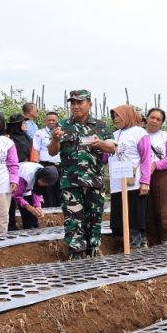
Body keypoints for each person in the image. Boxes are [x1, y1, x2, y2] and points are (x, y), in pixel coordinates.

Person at [49, 90, 114, 259]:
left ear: (89, 104)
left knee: (94, 219)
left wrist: (100, 143)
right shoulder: (62, 125)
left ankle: (92, 253)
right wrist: (55, 139)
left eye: (80, 103)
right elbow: (51, 151)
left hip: (94, 182)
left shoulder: (100, 126)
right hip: (70, 182)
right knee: (73, 219)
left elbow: (113, 148)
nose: (76, 106)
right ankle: (76, 255)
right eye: (73, 103)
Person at [109, 104, 154, 251]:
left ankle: (138, 246)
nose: (116, 119)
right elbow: (105, 157)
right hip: (117, 183)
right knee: (121, 218)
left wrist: (145, 182)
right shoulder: (113, 135)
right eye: (114, 116)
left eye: (118, 116)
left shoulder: (139, 133)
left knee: (135, 217)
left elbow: (146, 158)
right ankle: (128, 247)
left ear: (127, 115)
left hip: (134, 183)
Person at [143, 108, 167, 246]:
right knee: (148, 212)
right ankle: (152, 244)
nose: (154, 121)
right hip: (143, 176)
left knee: (164, 211)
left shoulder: (165, 136)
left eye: (158, 119)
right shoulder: (139, 134)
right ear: (147, 118)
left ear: (162, 123)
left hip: (162, 176)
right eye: (152, 117)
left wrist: (156, 165)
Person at [12, 162, 58, 227]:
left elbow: (38, 191)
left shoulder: (42, 173)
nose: (44, 185)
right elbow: (16, 195)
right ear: (40, 178)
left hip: (28, 187)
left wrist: (37, 206)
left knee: (31, 216)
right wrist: (29, 207)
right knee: (10, 211)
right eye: (43, 183)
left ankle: (31, 230)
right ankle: (11, 230)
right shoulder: (26, 175)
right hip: (11, 186)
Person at [32, 111, 62, 208]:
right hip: (46, 166)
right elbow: (35, 149)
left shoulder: (62, 133)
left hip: (59, 166)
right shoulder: (39, 133)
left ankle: (59, 212)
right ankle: (48, 213)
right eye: (49, 120)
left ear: (57, 121)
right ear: (45, 121)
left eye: (53, 120)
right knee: (47, 191)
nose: (51, 122)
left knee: (59, 190)